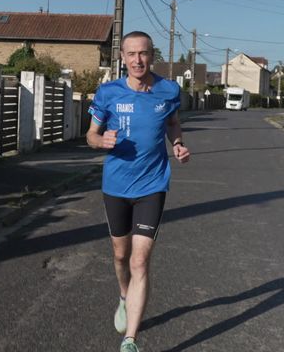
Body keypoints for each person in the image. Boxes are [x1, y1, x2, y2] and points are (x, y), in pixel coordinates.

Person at [86, 31, 190, 352]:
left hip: (153, 184)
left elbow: (172, 123)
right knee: (121, 255)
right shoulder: (108, 93)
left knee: (140, 261)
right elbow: (91, 134)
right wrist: (100, 141)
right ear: (122, 58)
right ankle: (123, 294)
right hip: (116, 185)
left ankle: (130, 340)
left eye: (143, 53)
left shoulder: (169, 90)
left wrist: (177, 144)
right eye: (131, 54)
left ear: (152, 55)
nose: (137, 60)